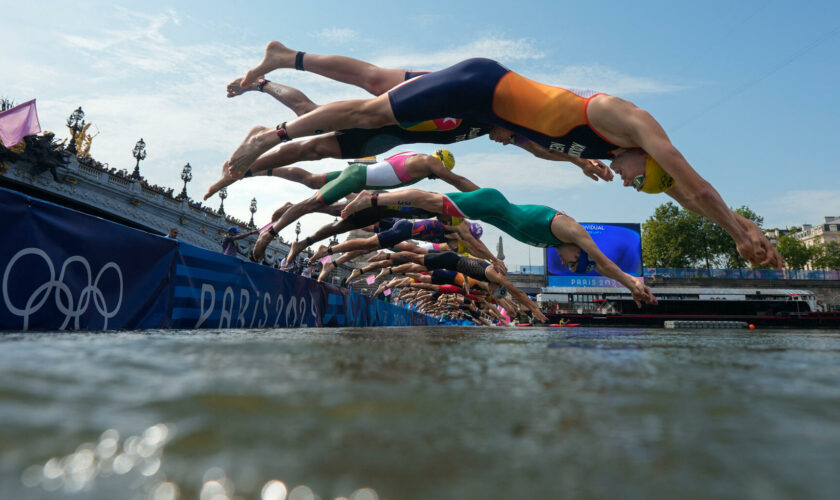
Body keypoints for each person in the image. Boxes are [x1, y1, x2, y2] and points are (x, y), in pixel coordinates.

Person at [232, 43, 781, 269]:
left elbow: (687, 197)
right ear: (647, 157)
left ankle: (287, 57)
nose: (626, 182)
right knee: (371, 114)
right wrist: (735, 231)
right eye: (638, 182)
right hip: (478, 87)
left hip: (480, 110)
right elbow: (696, 183)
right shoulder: (627, 121)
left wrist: (746, 229)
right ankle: (276, 133)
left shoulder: (610, 151)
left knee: (375, 83)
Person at [342, 187, 657, 307]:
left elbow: (600, 265)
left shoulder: (561, 244)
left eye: (571, 267)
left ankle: (376, 206)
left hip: (487, 216)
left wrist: (631, 287)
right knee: (429, 200)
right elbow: (603, 260)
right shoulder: (571, 230)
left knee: (430, 210)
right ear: (579, 251)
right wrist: (631, 282)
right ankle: (372, 197)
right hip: (491, 202)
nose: (567, 263)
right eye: (574, 263)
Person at [251, 149, 480, 263]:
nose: (438, 177)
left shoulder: (421, 173)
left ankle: (299, 238)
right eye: (441, 172)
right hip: (364, 185)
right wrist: (483, 198)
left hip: (372, 196)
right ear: (441, 164)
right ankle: (269, 230)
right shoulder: (428, 167)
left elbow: (463, 237)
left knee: (331, 216)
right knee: (314, 194)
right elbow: (457, 181)